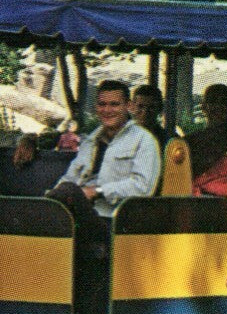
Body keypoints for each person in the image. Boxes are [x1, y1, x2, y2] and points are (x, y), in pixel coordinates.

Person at [47, 79, 162, 224]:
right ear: (96, 107)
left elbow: (142, 188)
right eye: (102, 104)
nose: (107, 110)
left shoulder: (144, 141)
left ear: (129, 106)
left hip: (118, 222)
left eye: (114, 104)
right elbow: (71, 178)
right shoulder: (90, 141)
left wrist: (97, 191)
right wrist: (51, 201)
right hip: (80, 216)